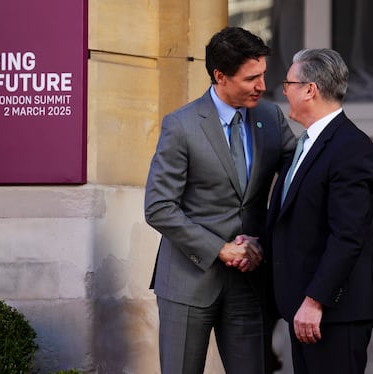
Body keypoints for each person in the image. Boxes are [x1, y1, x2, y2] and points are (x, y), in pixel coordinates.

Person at [144, 26, 296, 374]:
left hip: (249, 282)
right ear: (220, 76)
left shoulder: (271, 119)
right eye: (251, 78)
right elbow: (158, 207)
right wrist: (221, 249)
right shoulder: (180, 126)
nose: (262, 86)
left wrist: (265, 238)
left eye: (263, 75)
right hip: (187, 281)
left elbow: (298, 178)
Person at [266, 48, 373, 374]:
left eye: (288, 82)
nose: (283, 90)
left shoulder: (350, 147)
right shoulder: (306, 144)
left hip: (333, 312)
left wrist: (315, 300)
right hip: (306, 310)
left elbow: (348, 235)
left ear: (310, 90)